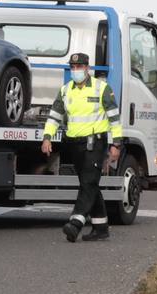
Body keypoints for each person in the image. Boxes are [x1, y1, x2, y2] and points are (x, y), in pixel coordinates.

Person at [41, 52, 124, 242]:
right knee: (90, 184)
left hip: (95, 143)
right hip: (75, 144)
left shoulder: (101, 88)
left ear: (87, 68)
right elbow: (54, 116)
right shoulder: (65, 90)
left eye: (79, 67)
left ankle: (75, 222)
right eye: (73, 67)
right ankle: (101, 228)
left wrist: (116, 144)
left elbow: (114, 118)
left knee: (88, 182)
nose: (76, 70)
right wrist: (47, 137)